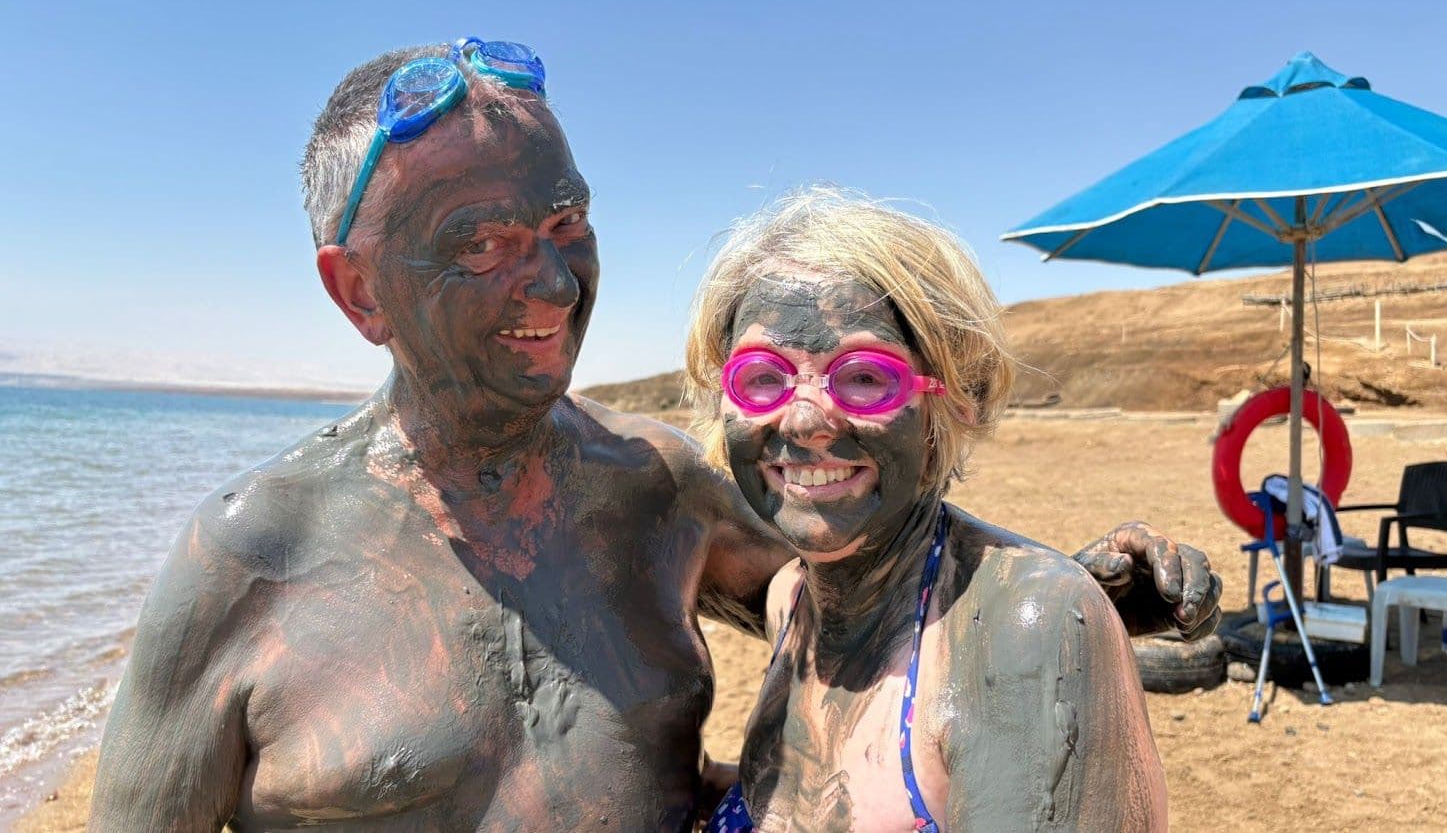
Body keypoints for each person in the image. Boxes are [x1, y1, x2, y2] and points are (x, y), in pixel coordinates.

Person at [89, 40, 1216, 830]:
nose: (551, 280)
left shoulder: (657, 487)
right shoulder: (252, 560)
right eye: (478, 242)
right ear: (358, 292)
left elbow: (868, 579)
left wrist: (1059, 598)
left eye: (564, 221)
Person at [687, 188, 1175, 831]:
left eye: (864, 377)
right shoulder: (792, 602)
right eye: (762, 378)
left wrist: (1063, 597)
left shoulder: (1027, 630)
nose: (803, 420)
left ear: (952, 403)